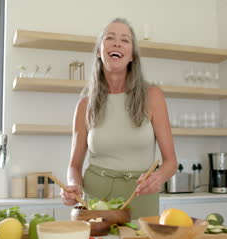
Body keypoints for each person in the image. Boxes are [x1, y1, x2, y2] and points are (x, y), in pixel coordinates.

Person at [60, 18, 177, 219]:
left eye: (125, 40)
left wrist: (158, 177)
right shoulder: (84, 105)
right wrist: (73, 186)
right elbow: (74, 165)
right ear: (99, 51)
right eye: (110, 38)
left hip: (140, 197)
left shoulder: (153, 96)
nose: (117, 43)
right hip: (96, 199)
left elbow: (171, 162)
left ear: (132, 56)